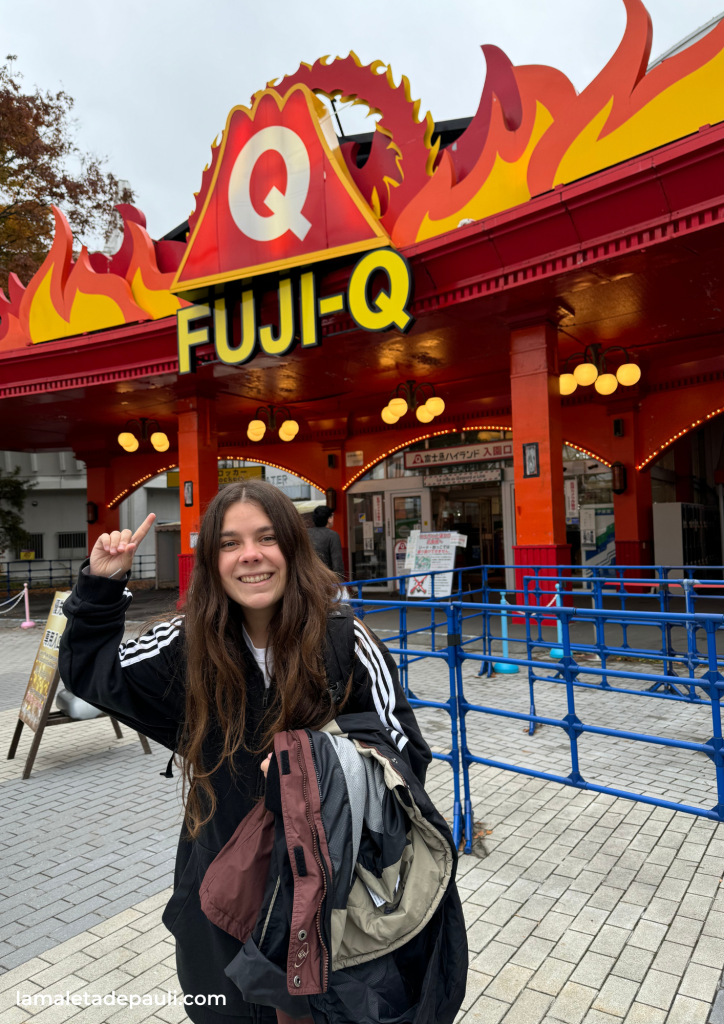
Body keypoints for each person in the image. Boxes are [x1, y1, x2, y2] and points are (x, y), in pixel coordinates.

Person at [58, 479, 431, 1024]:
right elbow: (95, 675)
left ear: (293, 548)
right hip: (219, 896)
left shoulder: (344, 641)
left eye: (267, 537)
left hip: (331, 898)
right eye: (230, 543)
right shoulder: (186, 644)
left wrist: (314, 765)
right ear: (212, 561)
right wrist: (101, 587)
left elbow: (404, 753)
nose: (250, 555)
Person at [305, 504, 344, 577]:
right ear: (329, 519)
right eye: (332, 516)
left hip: (307, 577)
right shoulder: (332, 535)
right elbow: (337, 564)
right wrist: (339, 581)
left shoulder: (306, 534)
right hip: (324, 577)